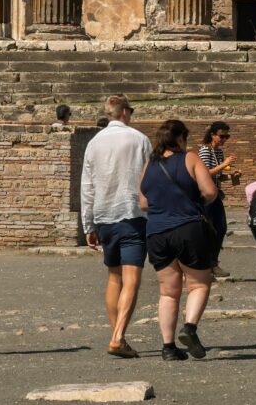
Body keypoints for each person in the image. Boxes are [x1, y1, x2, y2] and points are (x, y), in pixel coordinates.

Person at [138, 119, 219, 362]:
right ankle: (190, 327)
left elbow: (143, 202)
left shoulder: (149, 164)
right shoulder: (190, 158)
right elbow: (210, 191)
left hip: (156, 232)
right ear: (181, 138)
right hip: (188, 227)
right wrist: (194, 203)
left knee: (168, 293)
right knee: (198, 284)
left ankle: (168, 346)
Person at [81, 95, 152, 358]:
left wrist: (87, 223)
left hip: (104, 214)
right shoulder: (139, 139)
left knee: (114, 278)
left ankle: (117, 334)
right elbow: (149, 176)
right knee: (131, 279)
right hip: (132, 213)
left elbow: (87, 186)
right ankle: (118, 336)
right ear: (124, 112)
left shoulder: (94, 143)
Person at [196, 121, 237, 279]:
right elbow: (205, 173)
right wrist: (225, 164)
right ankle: (203, 266)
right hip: (205, 195)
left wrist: (231, 175)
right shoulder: (204, 151)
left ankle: (213, 262)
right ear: (212, 135)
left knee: (221, 228)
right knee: (206, 230)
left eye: (227, 136)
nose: (224, 139)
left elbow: (218, 175)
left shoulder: (219, 152)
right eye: (222, 136)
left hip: (215, 194)